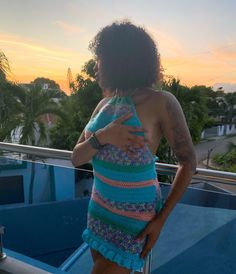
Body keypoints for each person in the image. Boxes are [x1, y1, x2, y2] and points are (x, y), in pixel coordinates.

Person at [72, 21, 196, 274]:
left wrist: (161, 220)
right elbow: (76, 158)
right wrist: (104, 136)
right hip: (99, 210)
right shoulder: (103, 105)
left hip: (134, 221)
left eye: (101, 59)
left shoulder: (160, 101)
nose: (97, 66)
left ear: (119, 60)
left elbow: (189, 163)